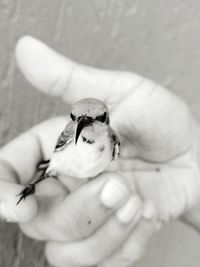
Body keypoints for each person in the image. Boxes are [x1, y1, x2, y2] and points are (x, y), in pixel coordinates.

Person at [0, 36, 200, 267]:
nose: (86, 125)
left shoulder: (113, 143)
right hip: (60, 166)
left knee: (95, 195)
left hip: (96, 176)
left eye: (99, 119)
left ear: (106, 119)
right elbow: (55, 161)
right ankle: (28, 192)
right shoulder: (68, 136)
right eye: (78, 120)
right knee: (46, 171)